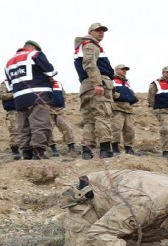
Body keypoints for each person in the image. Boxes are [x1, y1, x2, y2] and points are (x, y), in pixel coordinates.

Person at [5, 40, 58, 160]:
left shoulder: (8, 63)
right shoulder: (35, 54)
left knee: (24, 126)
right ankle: (38, 153)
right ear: (34, 47)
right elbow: (51, 71)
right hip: (38, 95)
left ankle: (27, 154)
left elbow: (9, 85)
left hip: (19, 99)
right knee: (40, 124)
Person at [74, 22, 115, 160]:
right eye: (98, 30)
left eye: (103, 30)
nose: (101, 33)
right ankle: (105, 149)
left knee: (89, 120)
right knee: (102, 115)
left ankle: (87, 151)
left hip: (86, 85)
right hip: (96, 83)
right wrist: (98, 83)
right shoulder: (90, 45)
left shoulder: (83, 45)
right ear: (90, 32)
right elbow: (90, 64)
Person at [111, 64, 138, 155]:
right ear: (116, 70)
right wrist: (117, 96)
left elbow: (132, 93)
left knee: (129, 129)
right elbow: (108, 91)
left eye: (125, 70)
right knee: (116, 128)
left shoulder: (127, 83)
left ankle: (128, 148)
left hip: (128, 109)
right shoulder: (112, 80)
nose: (124, 71)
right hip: (117, 107)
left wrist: (133, 98)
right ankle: (115, 147)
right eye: (122, 69)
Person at [48, 80, 77, 156]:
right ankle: (53, 149)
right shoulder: (40, 83)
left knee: (67, 128)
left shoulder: (57, 83)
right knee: (48, 130)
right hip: (47, 111)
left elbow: (63, 95)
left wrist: (61, 104)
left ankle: (71, 147)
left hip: (59, 110)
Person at [0, 80, 21, 160]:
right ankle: (15, 151)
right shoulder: (6, 83)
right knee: (15, 132)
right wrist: (15, 95)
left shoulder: (23, 80)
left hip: (26, 110)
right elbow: (1, 95)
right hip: (13, 111)